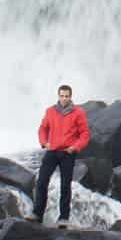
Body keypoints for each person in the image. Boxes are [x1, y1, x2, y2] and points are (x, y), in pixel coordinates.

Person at [33, 84, 90, 228]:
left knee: (65, 186)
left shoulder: (78, 112)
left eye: (67, 96)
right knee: (42, 182)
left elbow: (85, 134)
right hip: (52, 151)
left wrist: (75, 147)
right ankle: (37, 214)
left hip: (67, 153)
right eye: (62, 96)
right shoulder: (50, 111)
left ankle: (63, 218)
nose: (64, 98)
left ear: (70, 97)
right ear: (58, 96)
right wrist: (44, 142)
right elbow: (43, 128)